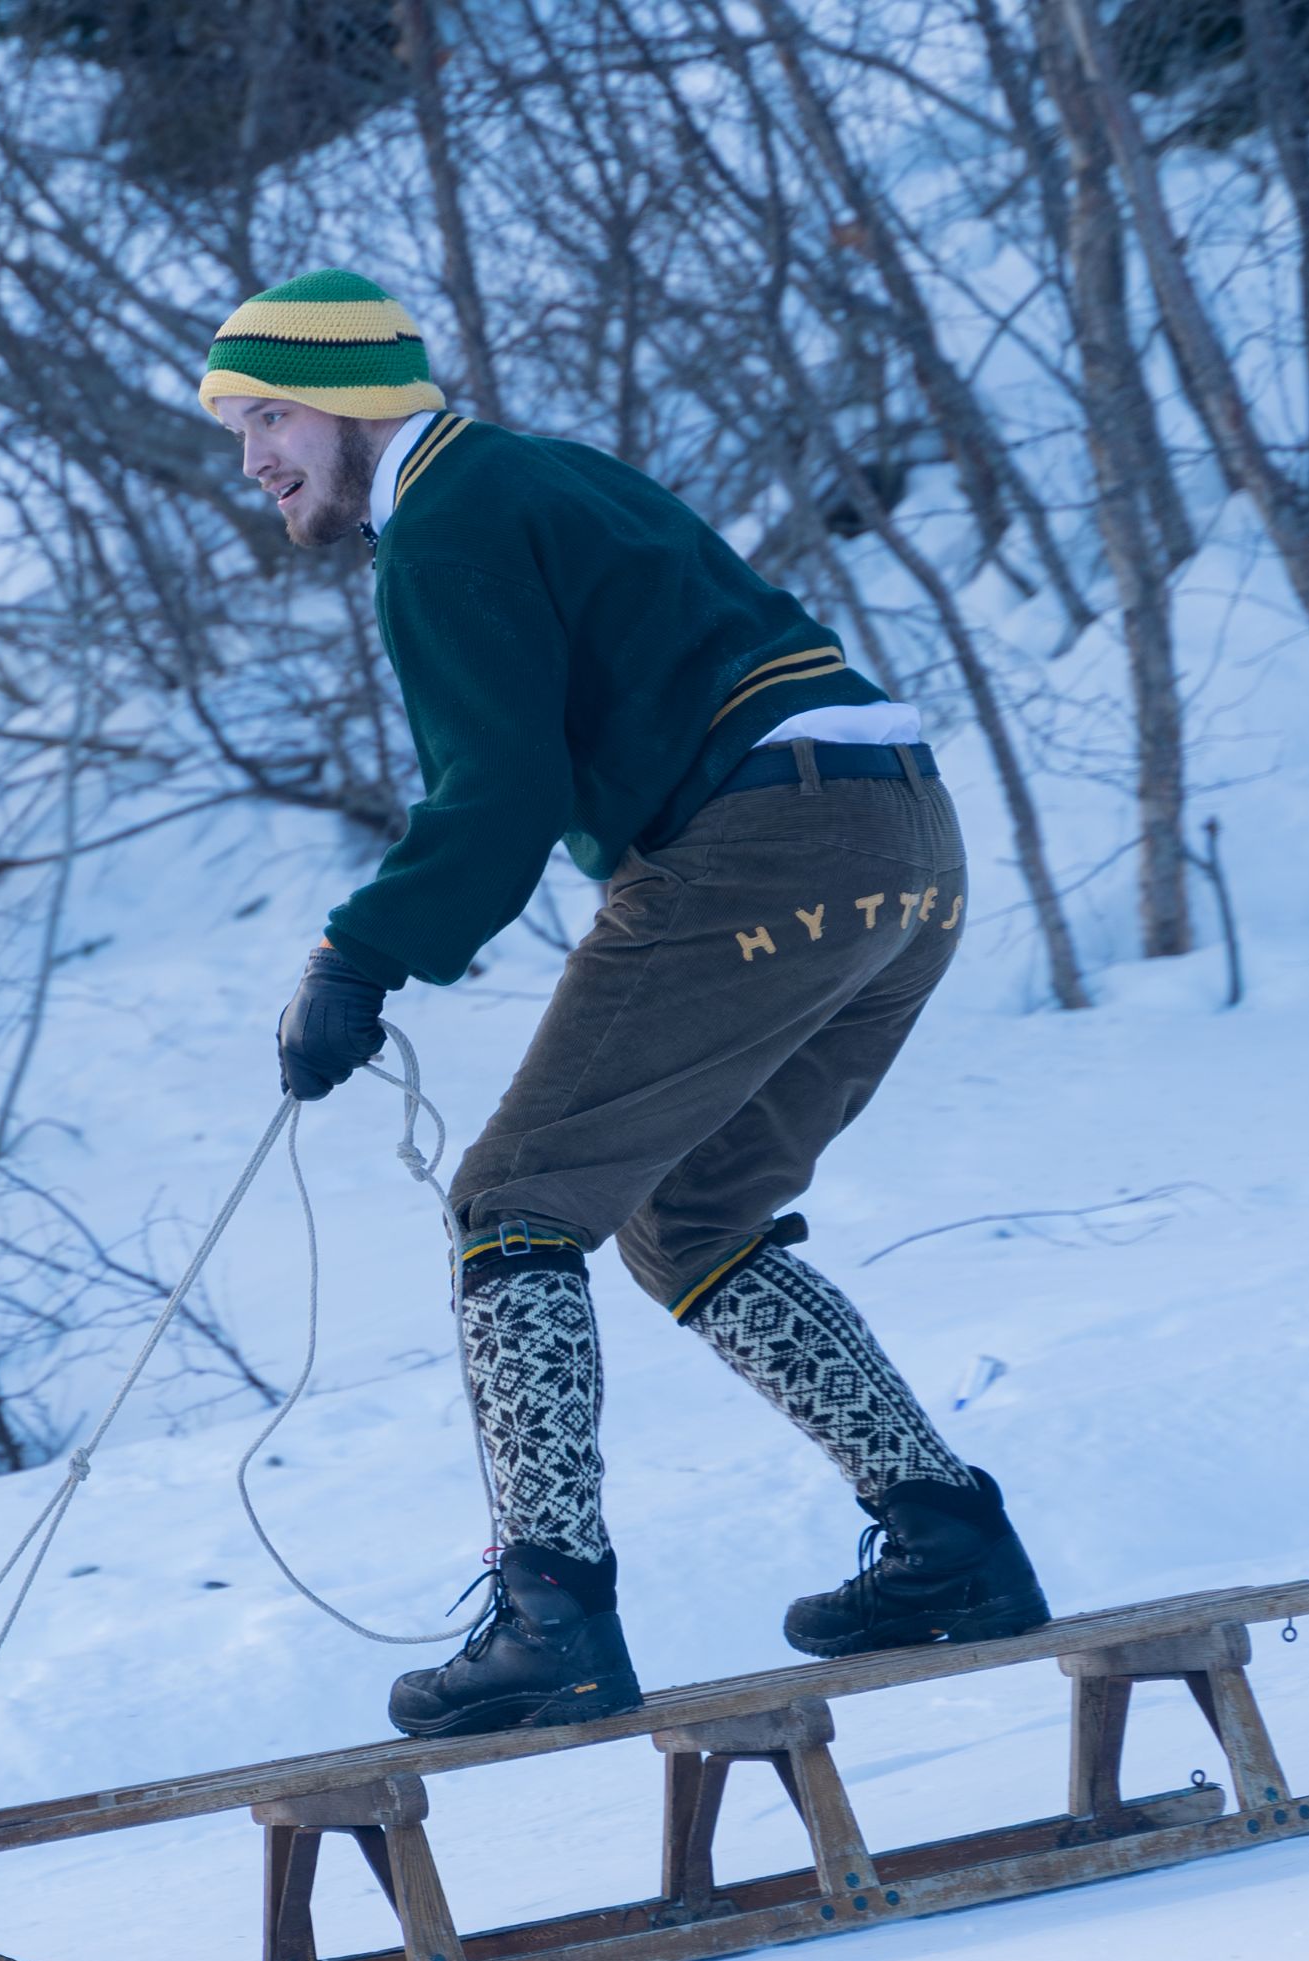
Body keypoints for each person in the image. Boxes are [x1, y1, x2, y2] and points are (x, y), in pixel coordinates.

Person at [201, 271, 1051, 1739]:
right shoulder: (537, 473)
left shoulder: (444, 520)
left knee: (513, 1202)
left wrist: (358, 956)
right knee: (694, 1217)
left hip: (768, 840)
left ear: (352, 402)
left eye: (270, 415)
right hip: (903, 840)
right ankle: (950, 1539)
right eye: (237, 428)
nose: (253, 457)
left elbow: (501, 790)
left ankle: (552, 1615)